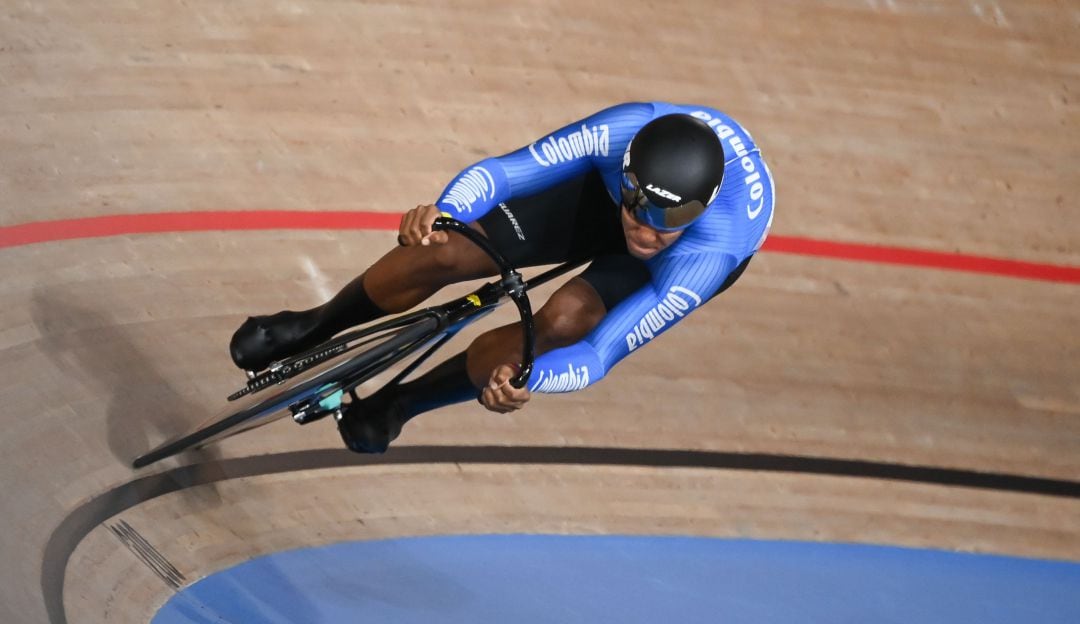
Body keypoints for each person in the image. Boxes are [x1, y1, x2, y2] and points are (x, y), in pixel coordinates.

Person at [230, 102, 775, 453]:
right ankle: (314, 325)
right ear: (627, 172)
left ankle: (402, 404)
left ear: (700, 210)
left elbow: (597, 355)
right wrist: (444, 212)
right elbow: (505, 172)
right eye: (638, 208)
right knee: (447, 249)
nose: (647, 232)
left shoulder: (710, 254)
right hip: (597, 199)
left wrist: (527, 380)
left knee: (566, 322)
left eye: (669, 220)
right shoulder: (621, 130)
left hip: (683, 257)